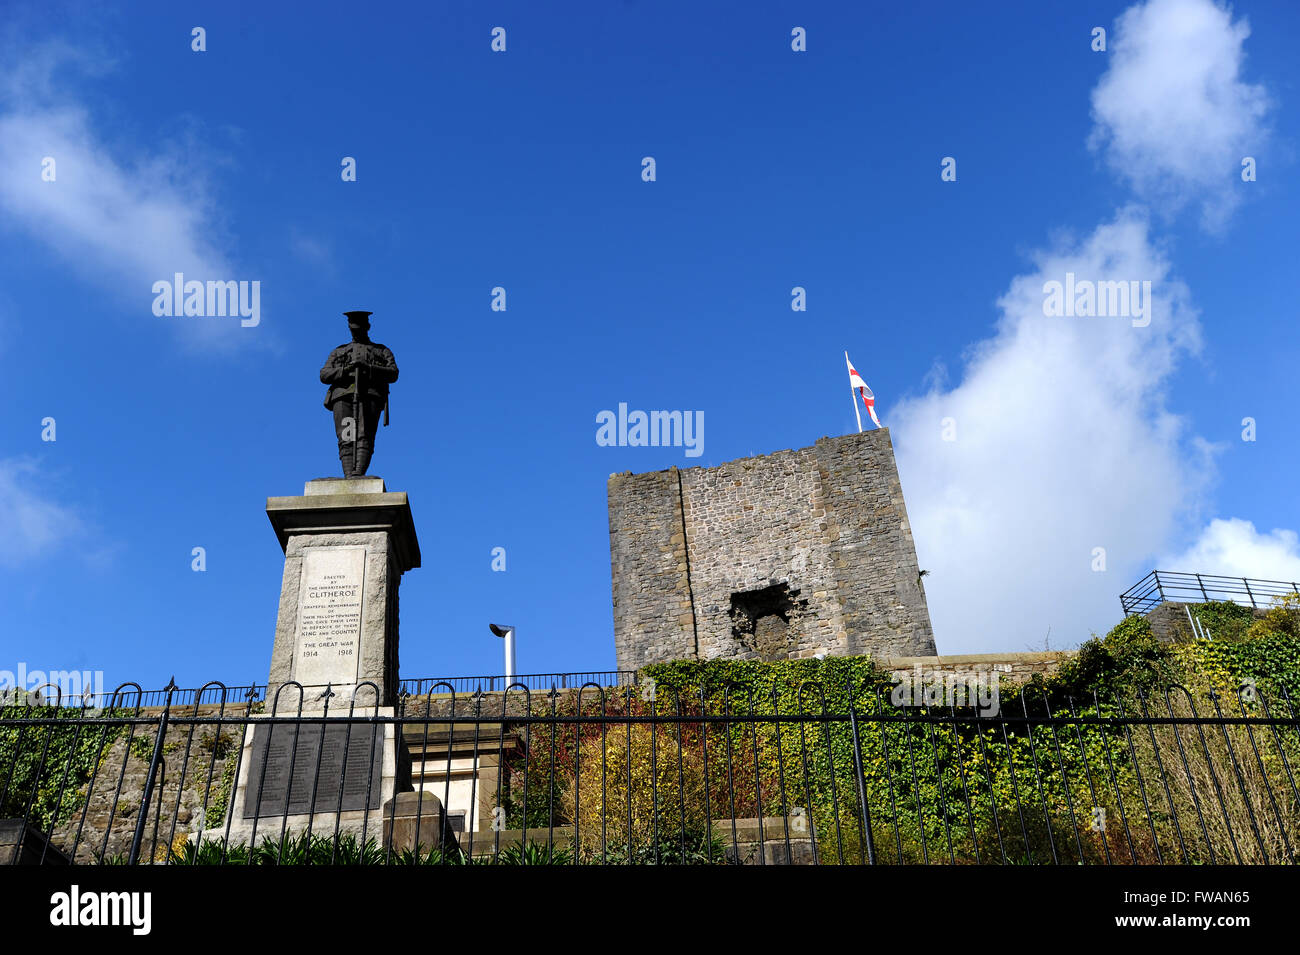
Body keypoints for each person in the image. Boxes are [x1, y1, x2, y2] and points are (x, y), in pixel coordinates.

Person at [320, 310, 399, 476]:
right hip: (342, 397)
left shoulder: (381, 350)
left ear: (367, 327)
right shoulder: (339, 351)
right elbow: (324, 374)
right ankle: (349, 475)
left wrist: (368, 369)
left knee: (364, 435)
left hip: (369, 396)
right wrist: (345, 370)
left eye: (359, 328)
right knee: (346, 436)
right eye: (352, 329)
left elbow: (393, 373)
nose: (355, 331)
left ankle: (359, 473)